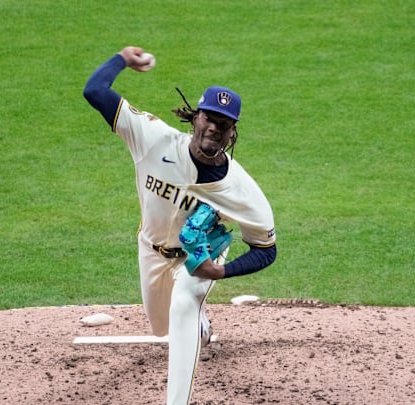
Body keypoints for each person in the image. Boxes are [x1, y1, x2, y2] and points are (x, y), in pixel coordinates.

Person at [83, 46, 277, 405]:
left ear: (232, 133)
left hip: (197, 258)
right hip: (151, 249)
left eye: (224, 124)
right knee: (161, 328)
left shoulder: (242, 190)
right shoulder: (153, 139)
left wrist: (221, 271)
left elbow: (267, 250)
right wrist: (123, 58)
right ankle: (200, 327)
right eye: (209, 118)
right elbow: (94, 91)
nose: (214, 128)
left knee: (186, 301)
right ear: (195, 118)